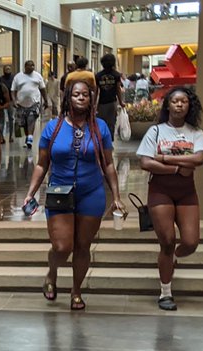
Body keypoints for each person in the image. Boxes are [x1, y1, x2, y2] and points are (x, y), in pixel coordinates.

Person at [23, 80, 125, 311]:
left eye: (85, 95)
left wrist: (117, 196)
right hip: (59, 191)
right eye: (76, 94)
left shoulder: (100, 127)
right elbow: (41, 164)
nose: (81, 98)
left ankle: (76, 290)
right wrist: (31, 192)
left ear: (91, 99)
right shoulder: (53, 127)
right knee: (62, 246)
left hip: (91, 193)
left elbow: (108, 164)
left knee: (82, 245)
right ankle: (52, 274)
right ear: (68, 98)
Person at [137, 87, 203, 312]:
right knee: (167, 240)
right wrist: (177, 169)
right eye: (175, 101)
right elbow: (146, 163)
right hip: (160, 191)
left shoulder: (196, 132)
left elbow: (199, 158)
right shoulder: (156, 131)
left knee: (190, 242)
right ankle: (165, 292)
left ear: (189, 106)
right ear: (168, 105)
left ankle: (173, 258)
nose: (179, 105)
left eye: (184, 101)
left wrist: (164, 158)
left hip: (186, 192)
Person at [11, 61, 46, 149]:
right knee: (23, 124)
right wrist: (14, 100)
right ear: (25, 66)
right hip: (21, 104)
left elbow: (43, 89)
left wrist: (46, 100)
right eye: (30, 65)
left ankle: (30, 138)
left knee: (31, 119)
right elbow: (13, 90)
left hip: (34, 103)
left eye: (33, 65)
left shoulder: (38, 76)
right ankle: (28, 137)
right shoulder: (18, 77)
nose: (32, 67)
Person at [95, 53, 125, 135]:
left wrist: (94, 104)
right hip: (112, 102)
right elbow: (118, 89)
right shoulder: (116, 75)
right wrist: (121, 102)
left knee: (101, 122)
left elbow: (96, 91)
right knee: (111, 123)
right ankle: (110, 139)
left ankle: (101, 139)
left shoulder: (98, 75)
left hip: (101, 103)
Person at [0, 65, 16, 139]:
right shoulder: (1, 79)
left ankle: (11, 135)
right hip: (2, 101)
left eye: (9, 69)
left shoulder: (14, 78)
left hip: (11, 101)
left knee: (11, 118)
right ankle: (2, 136)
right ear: (3, 70)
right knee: (2, 118)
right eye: (6, 69)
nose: (8, 70)